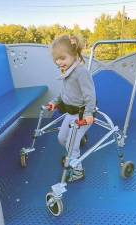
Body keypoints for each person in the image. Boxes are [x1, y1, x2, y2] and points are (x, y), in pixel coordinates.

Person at [47, 35, 96, 182]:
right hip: (70, 113)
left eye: (62, 58)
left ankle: (78, 171)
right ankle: (75, 146)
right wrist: (54, 102)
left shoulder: (81, 72)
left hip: (81, 115)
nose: (59, 62)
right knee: (61, 139)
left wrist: (88, 114)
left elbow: (90, 95)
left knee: (70, 143)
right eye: (56, 59)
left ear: (74, 55)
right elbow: (64, 93)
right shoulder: (66, 71)